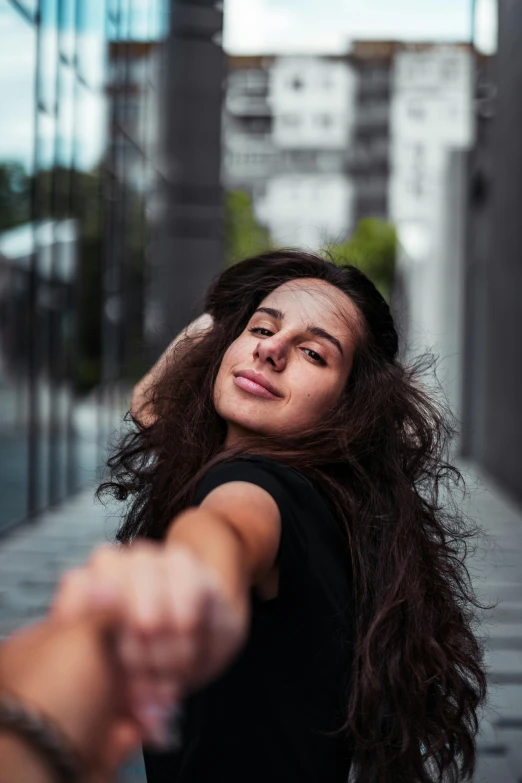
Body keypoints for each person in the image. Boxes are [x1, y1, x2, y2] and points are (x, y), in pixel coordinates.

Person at [47, 250, 487, 782]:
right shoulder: (323, 494)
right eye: (261, 328)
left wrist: (177, 579)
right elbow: (150, 407)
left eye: (314, 354)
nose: (271, 350)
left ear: (349, 409)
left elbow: (226, 532)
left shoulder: (249, 487)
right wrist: (221, 322)